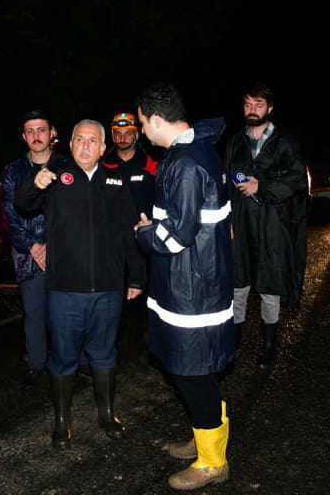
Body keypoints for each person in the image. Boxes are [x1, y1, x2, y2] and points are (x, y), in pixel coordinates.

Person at [14, 119, 146, 451]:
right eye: (80, 140)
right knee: (63, 358)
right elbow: (22, 204)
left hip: (107, 288)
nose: (86, 146)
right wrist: (35, 183)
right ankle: (62, 422)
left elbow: (130, 230)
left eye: (93, 141)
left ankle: (107, 415)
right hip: (64, 290)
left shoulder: (115, 182)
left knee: (103, 355)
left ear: (104, 148)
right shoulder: (56, 179)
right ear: (70, 145)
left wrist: (138, 276)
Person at [133, 83, 235, 491]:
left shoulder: (186, 163)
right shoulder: (191, 151)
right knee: (196, 372)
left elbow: (177, 237)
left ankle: (213, 461)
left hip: (193, 291)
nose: (141, 131)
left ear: (157, 120)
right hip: (189, 283)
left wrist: (143, 233)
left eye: (142, 123)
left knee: (194, 373)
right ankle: (203, 437)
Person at [224, 84, 308, 370]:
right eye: (247, 104)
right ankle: (231, 345)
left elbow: (297, 179)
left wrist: (263, 186)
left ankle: (269, 347)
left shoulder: (285, 142)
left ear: (269, 108)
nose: (252, 110)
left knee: (270, 284)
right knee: (238, 284)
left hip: (272, 222)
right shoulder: (235, 142)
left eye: (258, 104)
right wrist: (228, 221)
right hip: (241, 223)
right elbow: (223, 184)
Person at [0, 109, 66, 390]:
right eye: (30, 131)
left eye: (41, 130)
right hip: (28, 257)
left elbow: (73, 213)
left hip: (64, 255)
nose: (36, 136)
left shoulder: (68, 165)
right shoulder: (14, 170)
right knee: (34, 315)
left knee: (67, 313)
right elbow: (7, 215)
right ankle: (36, 365)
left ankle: (71, 363)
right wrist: (34, 246)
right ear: (23, 136)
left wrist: (54, 245)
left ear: (52, 132)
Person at [102, 112, 157, 345]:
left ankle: (152, 338)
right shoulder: (102, 163)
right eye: (118, 133)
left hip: (143, 241)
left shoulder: (151, 164)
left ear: (137, 134)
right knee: (113, 297)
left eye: (128, 133)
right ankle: (111, 343)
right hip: (111, 244)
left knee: (149, 295)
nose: (122, 137)